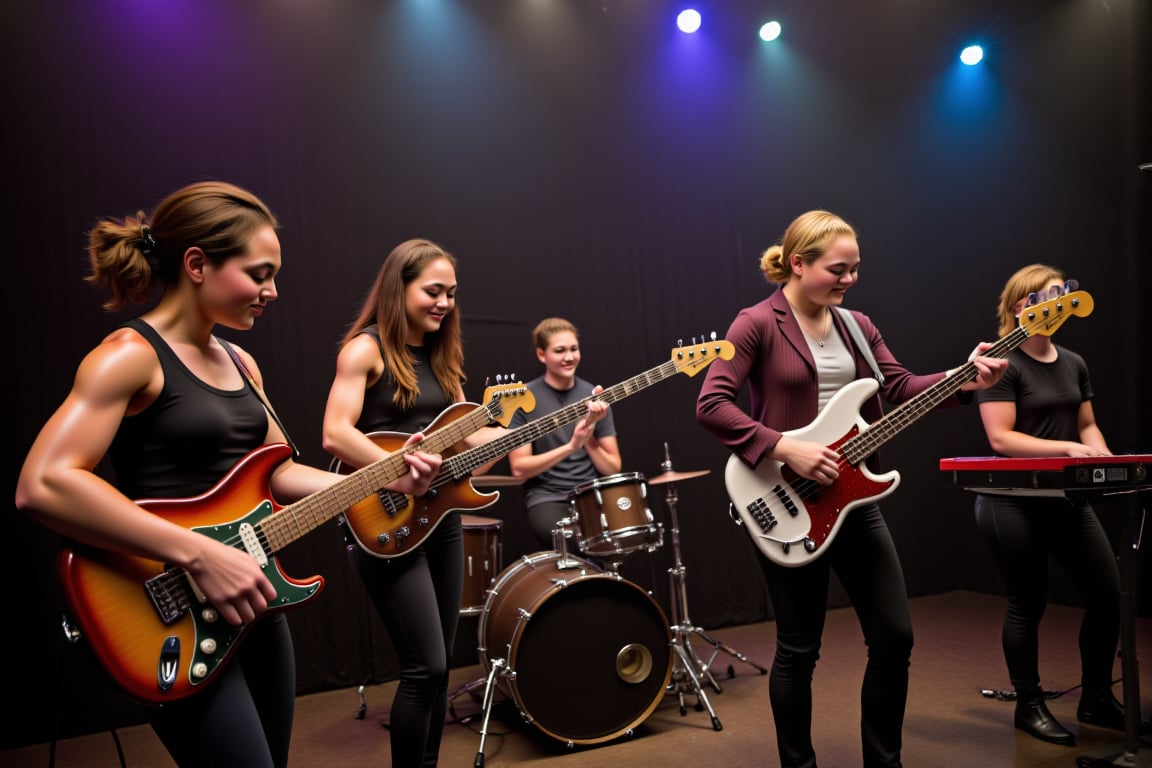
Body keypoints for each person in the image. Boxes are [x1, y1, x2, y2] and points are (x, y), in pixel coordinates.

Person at [13, 182, 441, 768]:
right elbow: (44, 483)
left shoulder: (242, 362)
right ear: (197, 264)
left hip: (253, 602)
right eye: (259, 274)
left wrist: (385, 478)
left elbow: (280, 472)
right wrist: (198, 554)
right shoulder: (128, 355)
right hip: (164, 605)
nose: (272, 291)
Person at [695, 209, 1008, 768]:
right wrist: (785, 446)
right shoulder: (756, 322)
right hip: (783, 497)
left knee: (894, 638)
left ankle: (884, 762)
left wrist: (964, 377)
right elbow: (712, 405)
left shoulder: (858, 326)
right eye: (838, 269)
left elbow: (900, 386)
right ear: (798, 263)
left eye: (856, 269)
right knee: (799, 649)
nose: (849, 280)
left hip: (854, 498)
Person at [322, 238, 509, 768]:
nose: (444, 303)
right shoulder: (366, 348)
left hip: (439, 519)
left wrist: (514, 436)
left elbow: (456, 440)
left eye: (451, 293)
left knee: (439, 666)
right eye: (433, 291)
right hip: (380, 520)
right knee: (423, 665)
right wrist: (397, 470)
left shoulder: (440, 357)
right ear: (397, 287)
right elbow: (335, 434)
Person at [973, 264, 1123, 746]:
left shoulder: (1074, 362)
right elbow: (1000, 438)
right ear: (1024, 306)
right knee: (1027, 603)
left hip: (1065, 498)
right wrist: (1069, 451)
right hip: (1010, 501)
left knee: (1106, 595)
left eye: (1065, 293)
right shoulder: (1002, 360)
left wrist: (1097, 447)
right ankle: (1029, 705)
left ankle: (1097, 698)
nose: (1062, 300)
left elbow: (1086, 425)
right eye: (1051, 293)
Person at [507, 317, 618, 549]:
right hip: (547, 498)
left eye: (574, 349)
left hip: (590, 495)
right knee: (575, 542)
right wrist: (570, 447)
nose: (569, 357)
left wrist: (587, 438)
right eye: (560, 350)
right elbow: (519, 468)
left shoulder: (593, 395)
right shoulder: (523, 399)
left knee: (612, 545)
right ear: (541, 355)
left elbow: (613, 467)